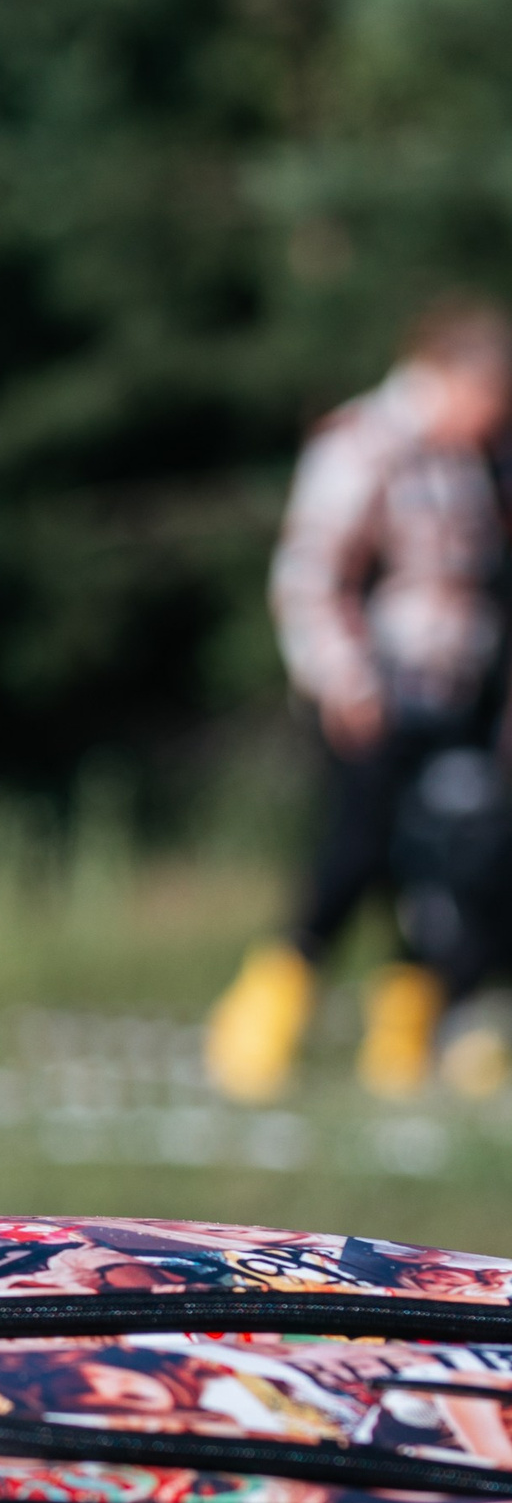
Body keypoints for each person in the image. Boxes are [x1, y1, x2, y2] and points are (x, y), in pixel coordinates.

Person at [208, 298, 512, 1101]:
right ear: (446, 377)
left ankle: (408, 1041)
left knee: (449, 867)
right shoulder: (365, 443)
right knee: (355, 857)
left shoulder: (472, 461)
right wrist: (345, 679)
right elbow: (310, 576)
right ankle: (259, 1024)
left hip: (458, 696)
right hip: (372, 695)